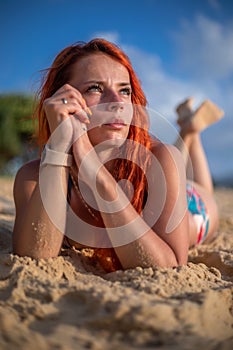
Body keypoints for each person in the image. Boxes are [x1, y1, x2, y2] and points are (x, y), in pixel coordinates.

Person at [12, 38, 224, 272]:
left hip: (195, 209)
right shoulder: (32, 177)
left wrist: (96, 175)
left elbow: (171, 265)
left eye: (124, 91)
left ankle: (190, 132)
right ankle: (189, 129)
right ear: (61, 99)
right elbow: (33, 255)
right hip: (159, 186)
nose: (117, 103)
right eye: (95, 88)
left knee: (203, 189)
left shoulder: (161, 157)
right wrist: (58, 149)